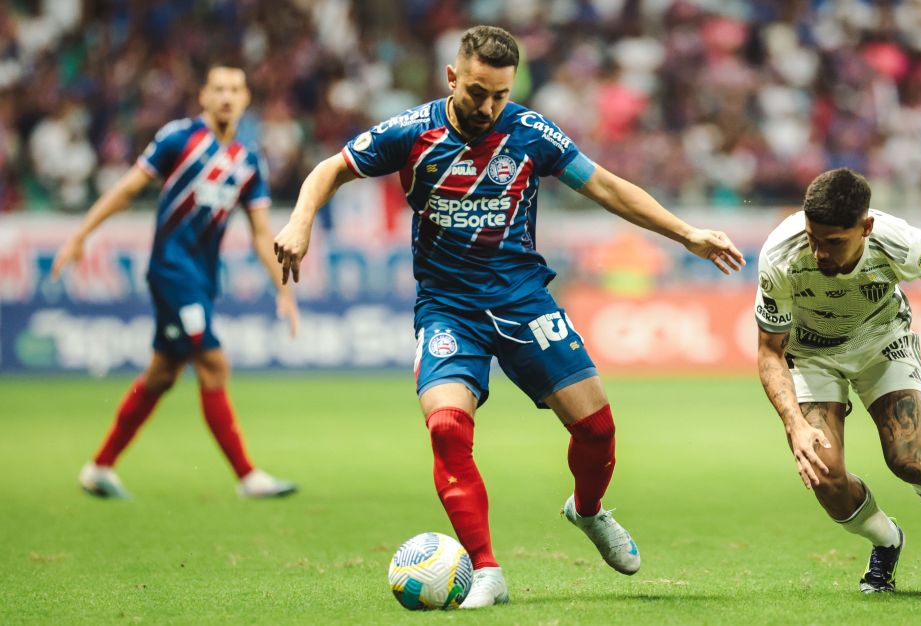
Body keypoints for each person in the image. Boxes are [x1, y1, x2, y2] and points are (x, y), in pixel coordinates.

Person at [273, 26, 744, 608]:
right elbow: (330, 169)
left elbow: (604, 186)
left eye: (499, 94)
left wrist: (687, 233)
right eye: (476, 92)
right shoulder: (410, 132)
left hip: (523, 299)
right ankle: (487, 569)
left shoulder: (528, 133)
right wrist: (300, 222)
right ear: (452, 78)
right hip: (447, 307)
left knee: (597, 431)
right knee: (447, 428)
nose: (488, 106)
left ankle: (589, 511)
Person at [51, 64, 299, 500]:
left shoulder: (247, 159)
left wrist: (282, 287)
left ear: (245, 99)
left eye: (235, 89)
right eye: (218, 88)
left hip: (202, 279)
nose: (226, 96)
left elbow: (261, 232)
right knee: (214, 363)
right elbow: (128, 189)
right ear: (203, 96)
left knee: (162, 374)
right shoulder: (178, 139)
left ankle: (99, 467)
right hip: (170, 270)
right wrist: (80, 234)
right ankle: (247, 476)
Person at [754, 168, 921, 593]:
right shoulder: (781, 256)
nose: (818, 253)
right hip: (812, 356)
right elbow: (769, 352)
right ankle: (886, 540)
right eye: (814, 238)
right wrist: (794, 422)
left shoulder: (896, 241)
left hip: (881, 341)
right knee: (824, 476)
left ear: (865, 227)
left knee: (908, 460)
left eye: (833, 242)